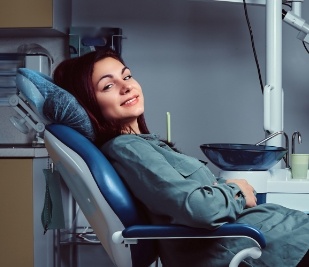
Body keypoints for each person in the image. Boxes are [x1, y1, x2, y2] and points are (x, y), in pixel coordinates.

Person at [53, 49, 309, 267]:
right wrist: (236, 190)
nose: (126, 86)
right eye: (108, 86)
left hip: (287, 233)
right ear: (90, 104)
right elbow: (199, 210)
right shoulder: (127, 148)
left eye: (127, 76)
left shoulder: (144, 145)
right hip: (274, 245)